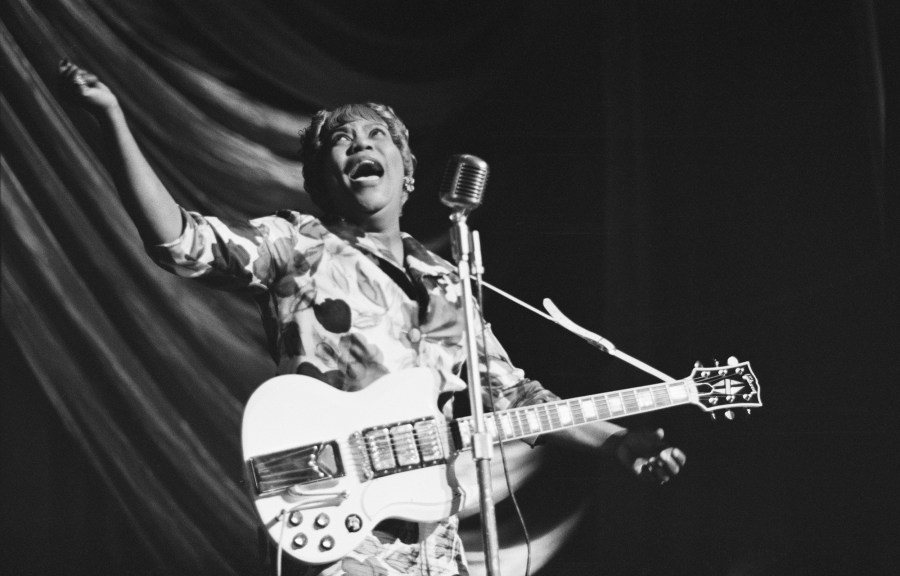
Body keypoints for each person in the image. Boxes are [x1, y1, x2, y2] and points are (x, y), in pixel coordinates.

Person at [58, 59, 686, 576]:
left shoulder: (447, 283)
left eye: (376, 136)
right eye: (341, 139)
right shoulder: (298, 246)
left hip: (431, 535)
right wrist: (113, 120)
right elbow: (183, 244)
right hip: (334, 516)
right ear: (323, 180)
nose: (360, 144)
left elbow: (513, 397)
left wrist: (616, 442)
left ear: (407, 173)